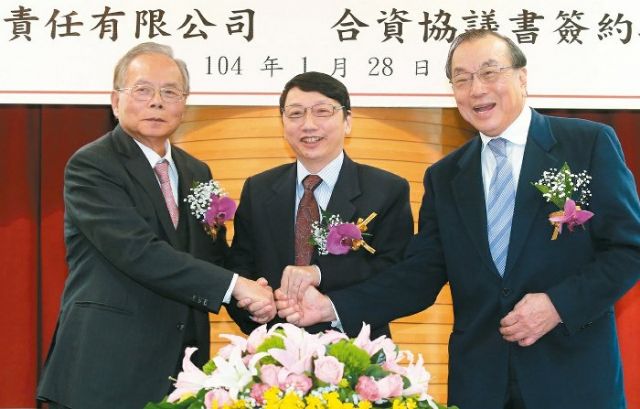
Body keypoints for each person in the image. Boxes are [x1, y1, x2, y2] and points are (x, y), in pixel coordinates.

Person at [276, 30, 640, 409]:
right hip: (481, 383)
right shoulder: (446, 175)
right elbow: (420, 275)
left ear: (522, 77)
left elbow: (629, 249)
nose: (476, 89)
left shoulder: (586, 143)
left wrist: (558, 304)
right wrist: (332, 307)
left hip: (573, 377)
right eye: (462, 79)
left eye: (489, 72)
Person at [36, 42, 275, 409]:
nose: (157, 101)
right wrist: (234, 287)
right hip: (105, 368)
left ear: (184, 103)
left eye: (170, 92)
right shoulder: (92, 165)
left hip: (182, 370)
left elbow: (212, 256)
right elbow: (138, 251)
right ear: (115, 101)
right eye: (143, 90)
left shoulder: (197, 172)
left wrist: (255, 304)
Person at [227, 71, 413, 338]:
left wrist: (320, 274)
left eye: (322, 111)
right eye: (295, 114)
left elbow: (396, 273)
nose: (308, 124)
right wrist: (255, 308)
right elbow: (241, 268)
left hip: (357, 350)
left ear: (348, 121)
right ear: (282, 123)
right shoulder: (258, 189)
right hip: (274, 353)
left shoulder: (386, 189)